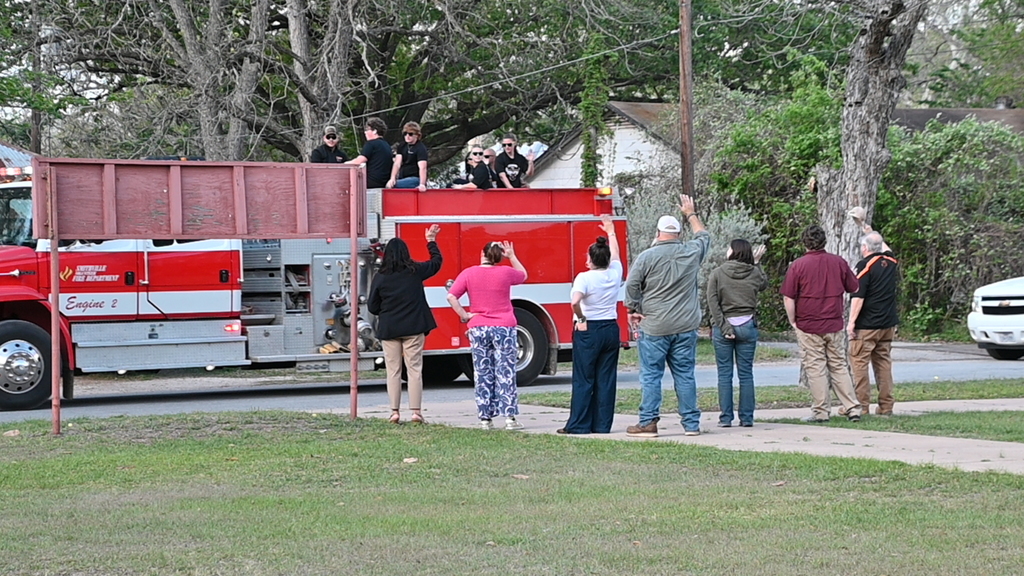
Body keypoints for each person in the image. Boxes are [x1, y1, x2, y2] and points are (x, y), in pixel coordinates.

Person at [624, 195, 710, 438]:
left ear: (658, 232)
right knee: (685, 374)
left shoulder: (646, 257)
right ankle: (691, 424)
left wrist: (633, 308)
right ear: (679, 233)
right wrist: (691, 213)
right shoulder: (691, 252)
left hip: (655, 325)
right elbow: (704, 236)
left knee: (651, 375)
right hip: (686, 325)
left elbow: (632, 285)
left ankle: (648, 422)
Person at [781, 224, 862, 423]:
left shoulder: (798, 266)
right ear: (824, 241)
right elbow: (854, 286)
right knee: (838, 365)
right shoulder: (838, 262)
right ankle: (852, 407)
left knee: (815, 366)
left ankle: (821, 411)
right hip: (833, 322)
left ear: (805, 243)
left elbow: (789, 296)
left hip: (808, 323)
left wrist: (793, 320)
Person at [446, 241, 528, 430]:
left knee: (483, 372)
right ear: (499, 256)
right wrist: (512, 256)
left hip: (478, 327)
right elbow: (524, 275)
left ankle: (485, 419)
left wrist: (465, 315)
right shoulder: (505, 273)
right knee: (505, 371)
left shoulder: (468, 273)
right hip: (504, 327)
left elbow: (451, 296)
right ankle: (510, 419)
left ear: (481, 254)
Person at [367, 225, 443, 424]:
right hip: (414, 328)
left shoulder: (380, 277)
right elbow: (436, 263)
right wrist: (431, 241)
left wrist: (386, 310)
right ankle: (416, 412)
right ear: (406, 253)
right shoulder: (415, 271)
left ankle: (394, 412)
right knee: (414, 369)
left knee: (393, 371)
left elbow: (372, 306)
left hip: (390, 328)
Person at [558, 215, 622, 434]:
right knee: (606, 378)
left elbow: (575, 301)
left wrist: (581, 319)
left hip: (589, 330)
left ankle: (579, 424)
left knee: (584, 378)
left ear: (590, 260)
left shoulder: (584, 278)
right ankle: (602, 425)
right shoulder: (615, 273)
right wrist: (611, 231)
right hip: (610, 328)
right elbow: (616, 253)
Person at [707, 239, 768, 428]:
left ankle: (726, 418)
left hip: (725, 325)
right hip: (747, 324)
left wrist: (724, 327)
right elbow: (764, 284)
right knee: (746, 374)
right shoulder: (753, 273)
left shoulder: (718, 273)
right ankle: (747, 418)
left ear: (732, 251)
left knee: (724, 374)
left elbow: (712, 301)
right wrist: (757, 263)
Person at [847, 209, 899, 416]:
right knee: (883, 363)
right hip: (887, 324)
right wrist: (864, 226)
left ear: (865, 248)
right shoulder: (890, 262)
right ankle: (886, 406)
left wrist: (851, 322)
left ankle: (861, 405)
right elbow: (882, 245)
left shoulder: (864, 265)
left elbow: (858, 297)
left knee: (859, 363)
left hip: (867, 324)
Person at [346, 117, 392, 188]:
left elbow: (358, 162)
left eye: (367, 130)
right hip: (383, 182)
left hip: (370, 182)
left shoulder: (371, 144)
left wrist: (343, 164)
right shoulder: (387, 145)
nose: (365, 132)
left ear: (374, 131)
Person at [387, 122, 428, 190]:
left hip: (415, 179)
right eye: (405, 134)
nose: (407, 136)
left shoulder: (421, 148)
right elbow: (397, 163)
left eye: (410, 134)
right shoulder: (402, 146)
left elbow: (423, 167)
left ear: (417, 135)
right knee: (390, 184)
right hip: (402, 177)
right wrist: (392, 178)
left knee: (396, 185)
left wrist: (422, 184)